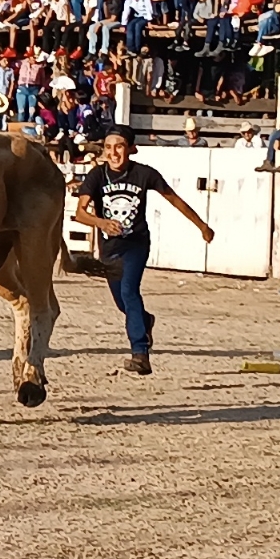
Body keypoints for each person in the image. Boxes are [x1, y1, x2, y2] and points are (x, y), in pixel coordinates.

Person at [74, 124, 215, 376]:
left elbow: (174, 199)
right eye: (108, 147)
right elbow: (80, 213)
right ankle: (146, 321)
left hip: (136, 244)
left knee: (130, 291)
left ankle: (140, 353)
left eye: (119, 147)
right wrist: (101, 222)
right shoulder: (96, 175)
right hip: (109, 248)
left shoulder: (144, 174)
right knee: (122, 303)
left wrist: (201, 225)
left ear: (131, 149)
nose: (113, 153)